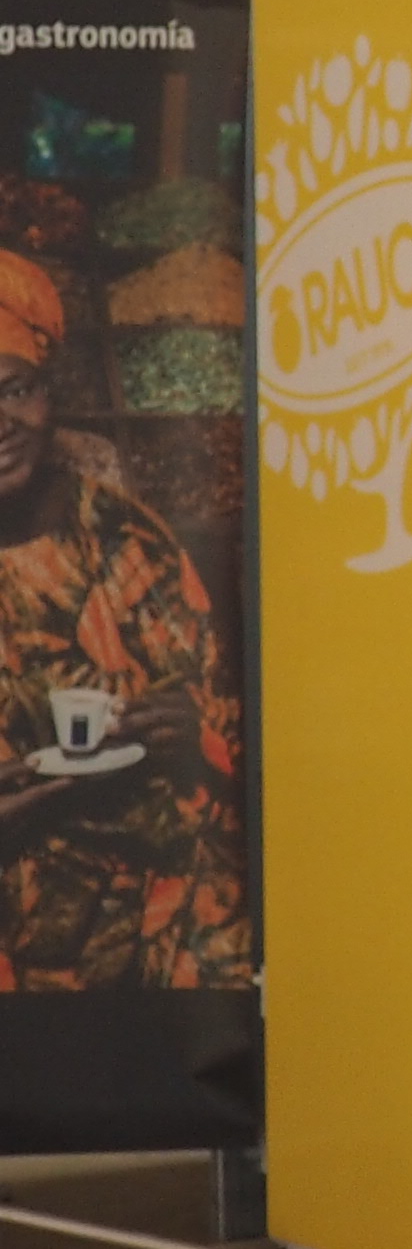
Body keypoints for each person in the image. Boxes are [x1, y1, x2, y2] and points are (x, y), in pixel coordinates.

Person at [0, 254, 242, 991]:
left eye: (15, 388)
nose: (2, 422)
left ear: (49, 392)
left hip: (162, 938)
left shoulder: (128, 542)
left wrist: (193, 734)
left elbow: (229, 741)